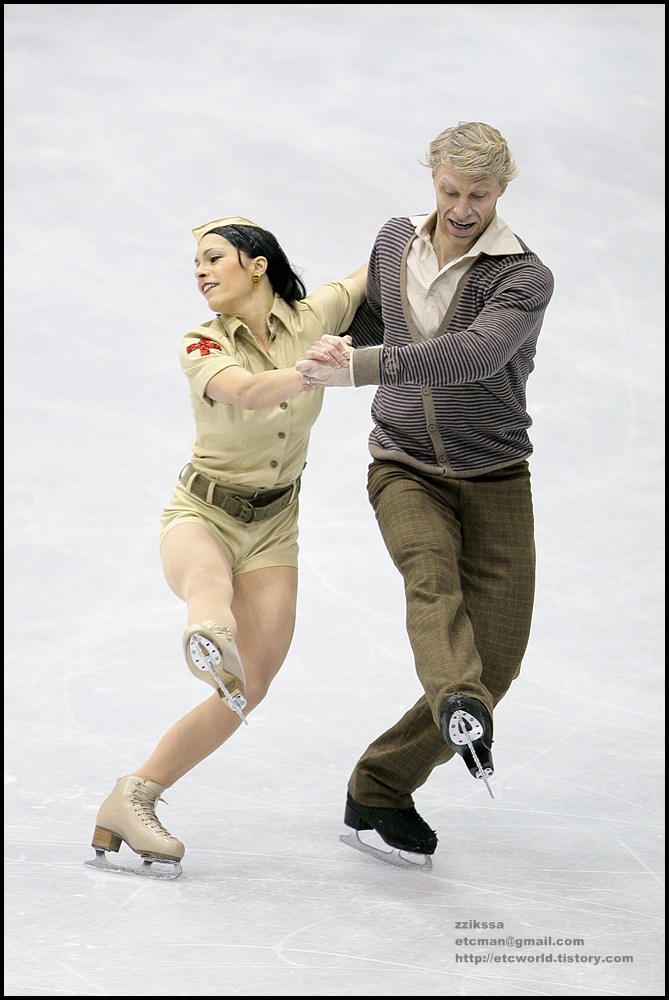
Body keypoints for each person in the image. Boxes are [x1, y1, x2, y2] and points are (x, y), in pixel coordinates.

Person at [296, 121, 555, 859]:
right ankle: (460, 706)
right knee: (430, 580)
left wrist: (358, 368)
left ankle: (379, 783)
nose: (462, 206)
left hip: (495, 473)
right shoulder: (393, 241)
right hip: (404, 464)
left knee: (496, 657)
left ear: (500, 189)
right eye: (449, 189)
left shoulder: (521, 276)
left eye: (478, 193)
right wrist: (340, 341)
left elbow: (472, 356)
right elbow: (385, 319)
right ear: (432, 179)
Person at [87, 216, 366, 877]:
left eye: (214, 258)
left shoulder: (311, 314)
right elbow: (242, 391)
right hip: (202, 511)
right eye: (196, 264)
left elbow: (371, 271)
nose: (201, 271)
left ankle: (133, 796)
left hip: (275, 526)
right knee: (209, 594)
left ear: (258, 264)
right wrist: (310, 374)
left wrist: (438, 217)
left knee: (249, 686)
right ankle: (208, 632)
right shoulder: (200, 343)